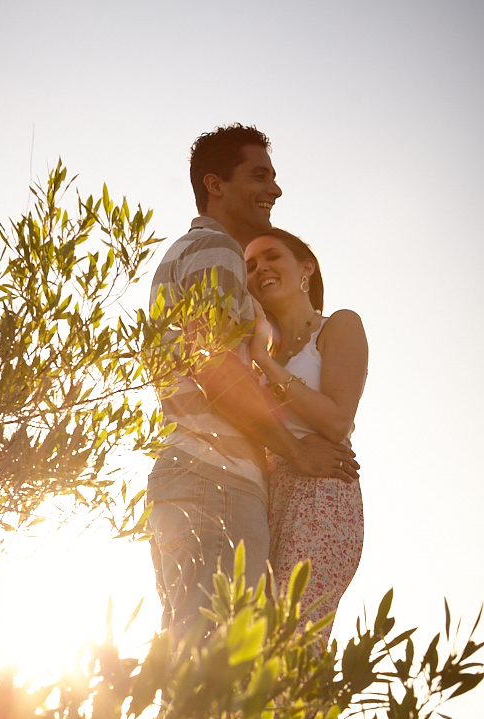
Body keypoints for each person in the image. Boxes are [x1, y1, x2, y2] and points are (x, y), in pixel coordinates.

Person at [146, 125, 359, 649]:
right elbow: (216, 368)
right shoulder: (216, 251)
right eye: (259, 175)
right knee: (219, 666)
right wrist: (294, 451)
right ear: (215, 185)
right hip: (215, 478)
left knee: (204, 657)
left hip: (198, 477)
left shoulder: (193, 254)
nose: (275, 190)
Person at [245, 227, 368, 649]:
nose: (260, 269)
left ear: (306, 268)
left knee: (293, 641)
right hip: (268, 498)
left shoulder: (339, 326)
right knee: (256, 644)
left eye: (272, 257)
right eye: (251, 266)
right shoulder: (254, 352)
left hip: (323, 494)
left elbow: (336, 422)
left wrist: (268, 365)